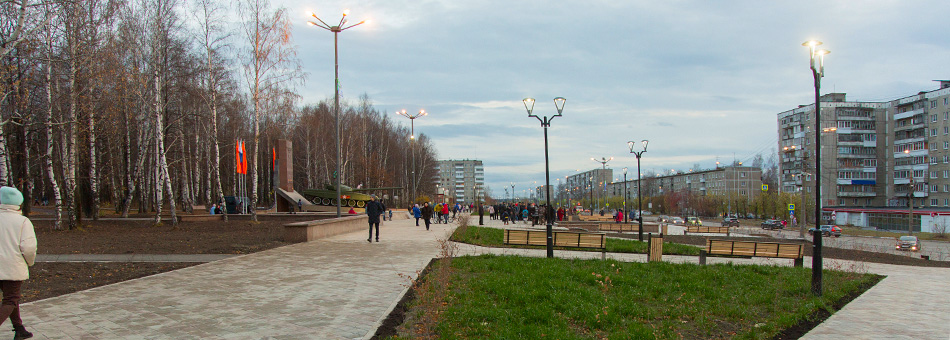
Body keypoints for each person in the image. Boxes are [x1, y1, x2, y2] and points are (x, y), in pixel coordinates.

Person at [0, 187, 36, 340]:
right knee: (11, 299)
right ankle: (19, 329)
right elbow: (28, 248)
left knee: (11, 299)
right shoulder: (22, 221)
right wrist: (29, 262)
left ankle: (19, 329)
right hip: (12, 266)